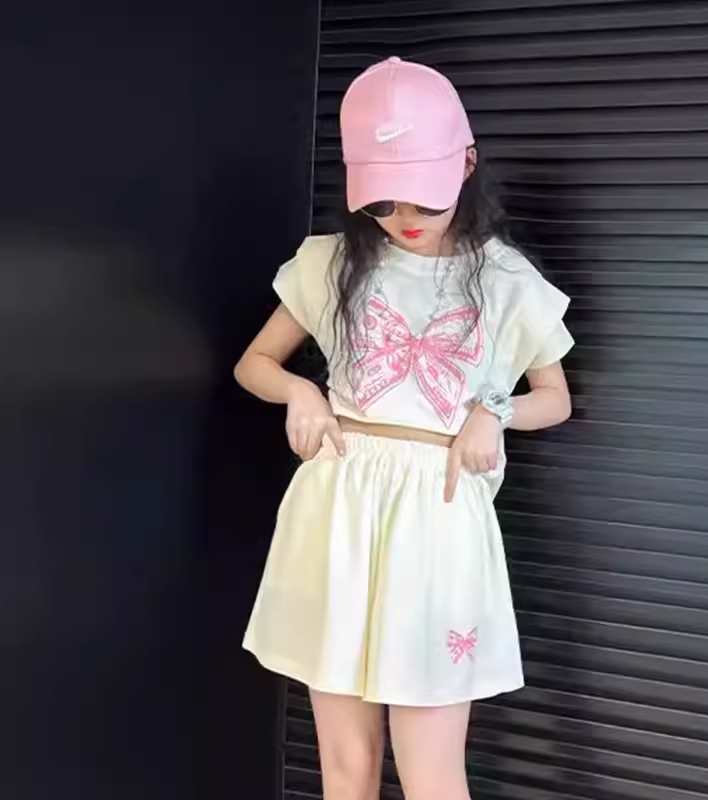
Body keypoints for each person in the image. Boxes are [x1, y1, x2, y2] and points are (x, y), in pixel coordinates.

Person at [235, 57, 573, 800]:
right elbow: (254, 362)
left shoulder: (505, 280)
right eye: (383, 201)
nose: (404, 217)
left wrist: (495, 410)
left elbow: (555, 397)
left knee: (433, 774)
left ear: (467, 164)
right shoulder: (332, 263)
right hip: (339, 505)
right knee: (346, 768)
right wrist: (299, 392)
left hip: (439, 517)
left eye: (423, 195)